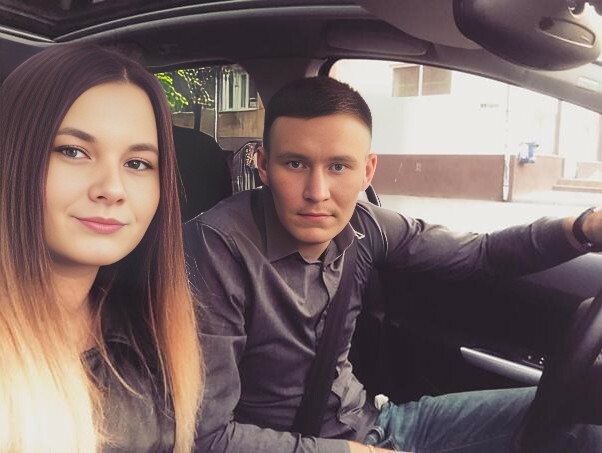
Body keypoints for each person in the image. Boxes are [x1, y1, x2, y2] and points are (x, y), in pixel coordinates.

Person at [184, 76, 602, 453]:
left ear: (367, 171)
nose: (317, 192)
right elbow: (207, 438)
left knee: (574, 411)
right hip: (295, 445)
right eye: (295, 163)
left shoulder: (366, 225)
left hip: (378, 424)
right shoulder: (216, 249)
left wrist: (583, 227)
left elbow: (483, 253)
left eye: (338, 166)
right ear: (263, 165)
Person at [0, 43, 202, 452]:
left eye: (137, 163)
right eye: (73, 151)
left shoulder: (150, 324)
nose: (112, 188)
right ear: (13, 157)